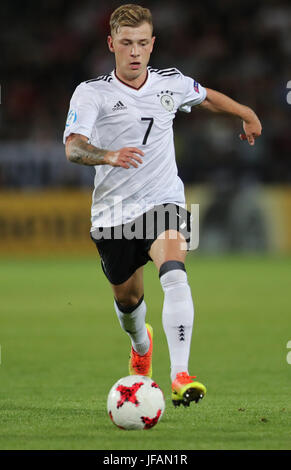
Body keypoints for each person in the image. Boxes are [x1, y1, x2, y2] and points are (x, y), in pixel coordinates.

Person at [63, 4, 262, 407]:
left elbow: (204, 97)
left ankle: (180, 375)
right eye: (125, 44)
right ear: (111, 44)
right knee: (128, 300)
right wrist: (108, 156)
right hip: (113, 214)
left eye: (141, 43)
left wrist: (245, 113)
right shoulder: (92, 92)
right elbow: (73, 148)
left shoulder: (169, 82)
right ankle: (141, 344)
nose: (134, 52)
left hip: (163, 200)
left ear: (152, 45)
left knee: (174, 272)